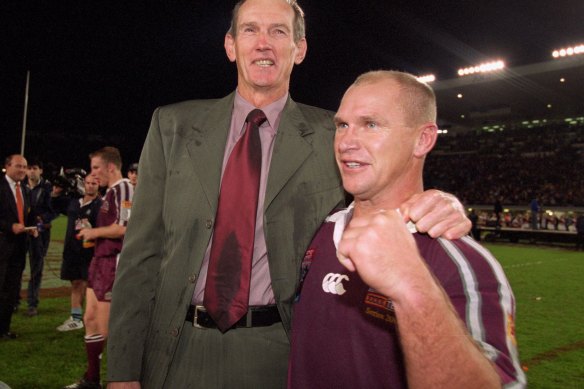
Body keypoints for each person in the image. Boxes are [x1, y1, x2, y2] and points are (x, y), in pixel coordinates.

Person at [106, 1, 471, 387]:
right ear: (230, 45)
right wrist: (123, 372)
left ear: (300, 49)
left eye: (278, 31)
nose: (264, 43)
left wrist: (436, 203)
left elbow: (387, 190)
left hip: (281, 353)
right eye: (250, 30)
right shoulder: (173, 125)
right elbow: (140, 256)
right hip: (176, 349)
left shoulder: (335, 134)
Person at [288, 71, 526, 388]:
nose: (346, 142)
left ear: (423, 139)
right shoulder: (319, 231)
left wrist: (412, 287)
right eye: (342, 125)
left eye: (371, 124)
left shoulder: (464, 264)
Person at [65, 147, 133, 389]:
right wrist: (93, 236)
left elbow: (125, 227)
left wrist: (93, 232)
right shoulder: (109, 193)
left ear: (110, 167)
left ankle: (123, 379)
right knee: (90, 318)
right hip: (99, 261)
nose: (93, 174)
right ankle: (92, 378)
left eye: (96, 168)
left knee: (106, 327)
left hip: (112, 263)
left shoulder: (124, 187)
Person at [51, 175, 102, 331]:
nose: (91, 186)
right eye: (88, 183)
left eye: (94, 183)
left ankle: (93, 317)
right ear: (83, 184)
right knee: (75, 283)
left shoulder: (100, 205)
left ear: (98, 186)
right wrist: (56, 191)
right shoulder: (74, 202)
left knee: (89, 285)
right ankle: (76, 318)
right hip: (72, 249)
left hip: (89, 251)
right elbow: (54, 204)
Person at [0, 155, 36, 339]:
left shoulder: (25, 190)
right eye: (18, 166)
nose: (22, 170)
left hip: (19, 247)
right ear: (7, 166)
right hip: (3, 246)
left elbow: (27, 216)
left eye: (25, 166)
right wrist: (9, 226)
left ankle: (4, 329)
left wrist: (32, 228)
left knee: (11, 290)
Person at [22, 159, 54, 317]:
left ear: (40, 170)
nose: (32, 171)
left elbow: (52, 211)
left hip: (39, 234)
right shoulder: (21, 186)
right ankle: (12, 301)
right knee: (15, 267)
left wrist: (42, 220)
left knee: (36, 269)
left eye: (35, 168)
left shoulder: (47, 188)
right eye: (29, 168)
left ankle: (32, 304)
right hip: (21, 233)